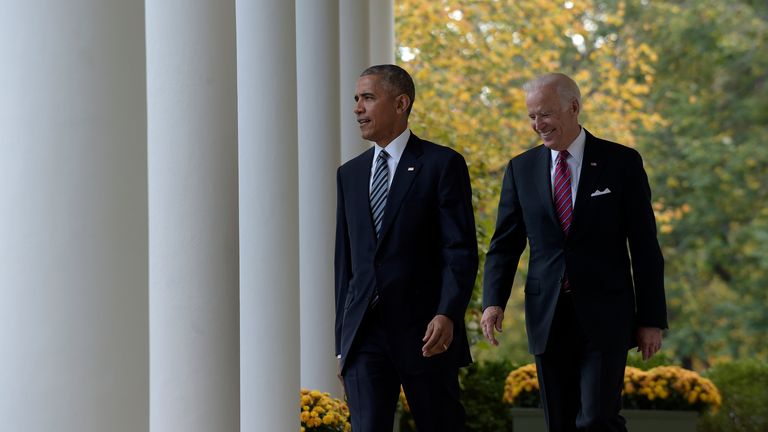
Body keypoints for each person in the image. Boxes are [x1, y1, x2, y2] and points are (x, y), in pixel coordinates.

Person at [481, 73, 668, 431]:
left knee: (598, 419)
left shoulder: (621, 162)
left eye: (545, 114)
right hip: (547, 316)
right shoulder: (521, 169)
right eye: (532, 117)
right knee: (560, 422)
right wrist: (494, 302)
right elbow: (504, 245)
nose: (538, 125)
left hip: (606, 315)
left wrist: (651, 318)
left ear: (574, 108)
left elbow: (644, 246)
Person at [334, 64, 478, 432]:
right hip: (365, 337)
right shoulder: (349, 174)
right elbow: (345, 265)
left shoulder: (442, 164)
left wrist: (447, 313)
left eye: (368, 98)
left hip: (427, 333)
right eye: (356, 99)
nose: (357, 108)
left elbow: (459, 250)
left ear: (401, 103)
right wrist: (342, 343)